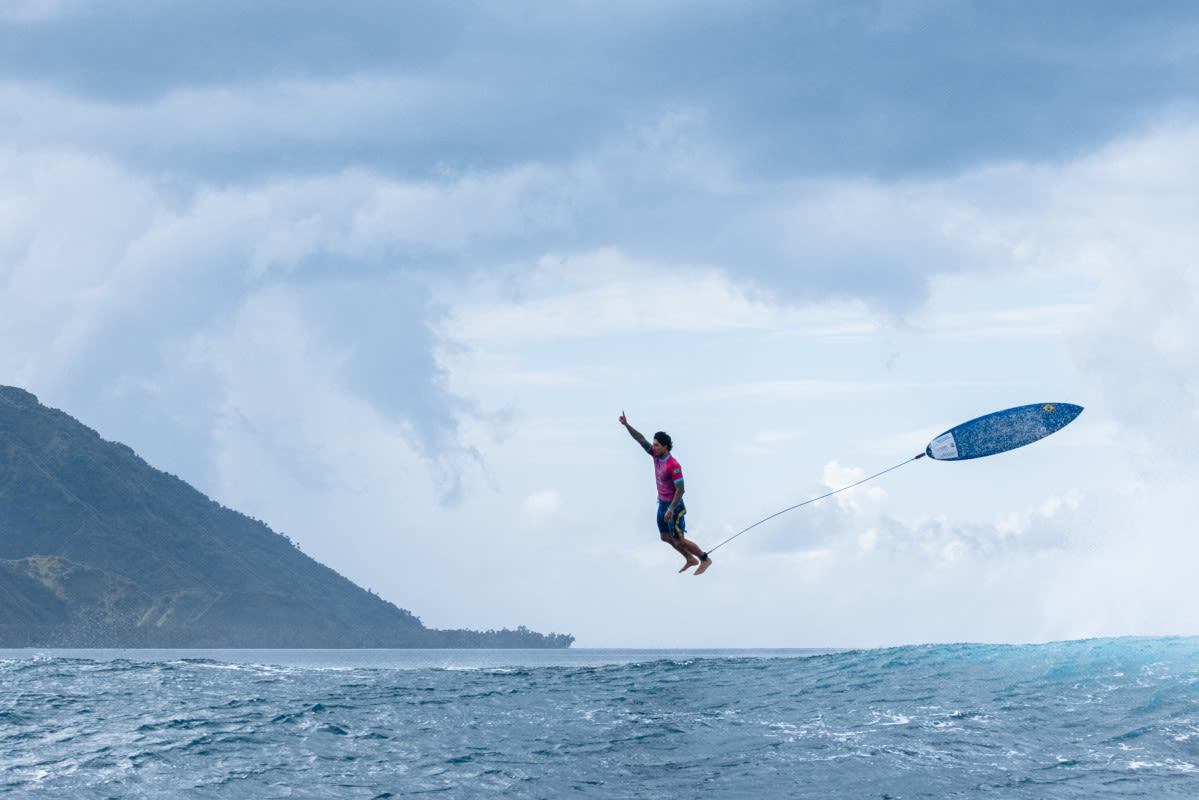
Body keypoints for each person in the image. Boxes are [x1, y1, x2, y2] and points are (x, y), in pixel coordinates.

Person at [618, 411, 712, 575]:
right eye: (653, 445)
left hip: (674, 506)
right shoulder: (655, 455)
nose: (653, 447)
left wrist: (670, 509)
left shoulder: (673, 465)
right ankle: (689, 558)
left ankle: (704, 558)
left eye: (656, 445)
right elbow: (640, 439)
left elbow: (681, 490)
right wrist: (627, 425)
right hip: (662, 503)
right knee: (664, 536)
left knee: (679, 538)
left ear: (665, 447)